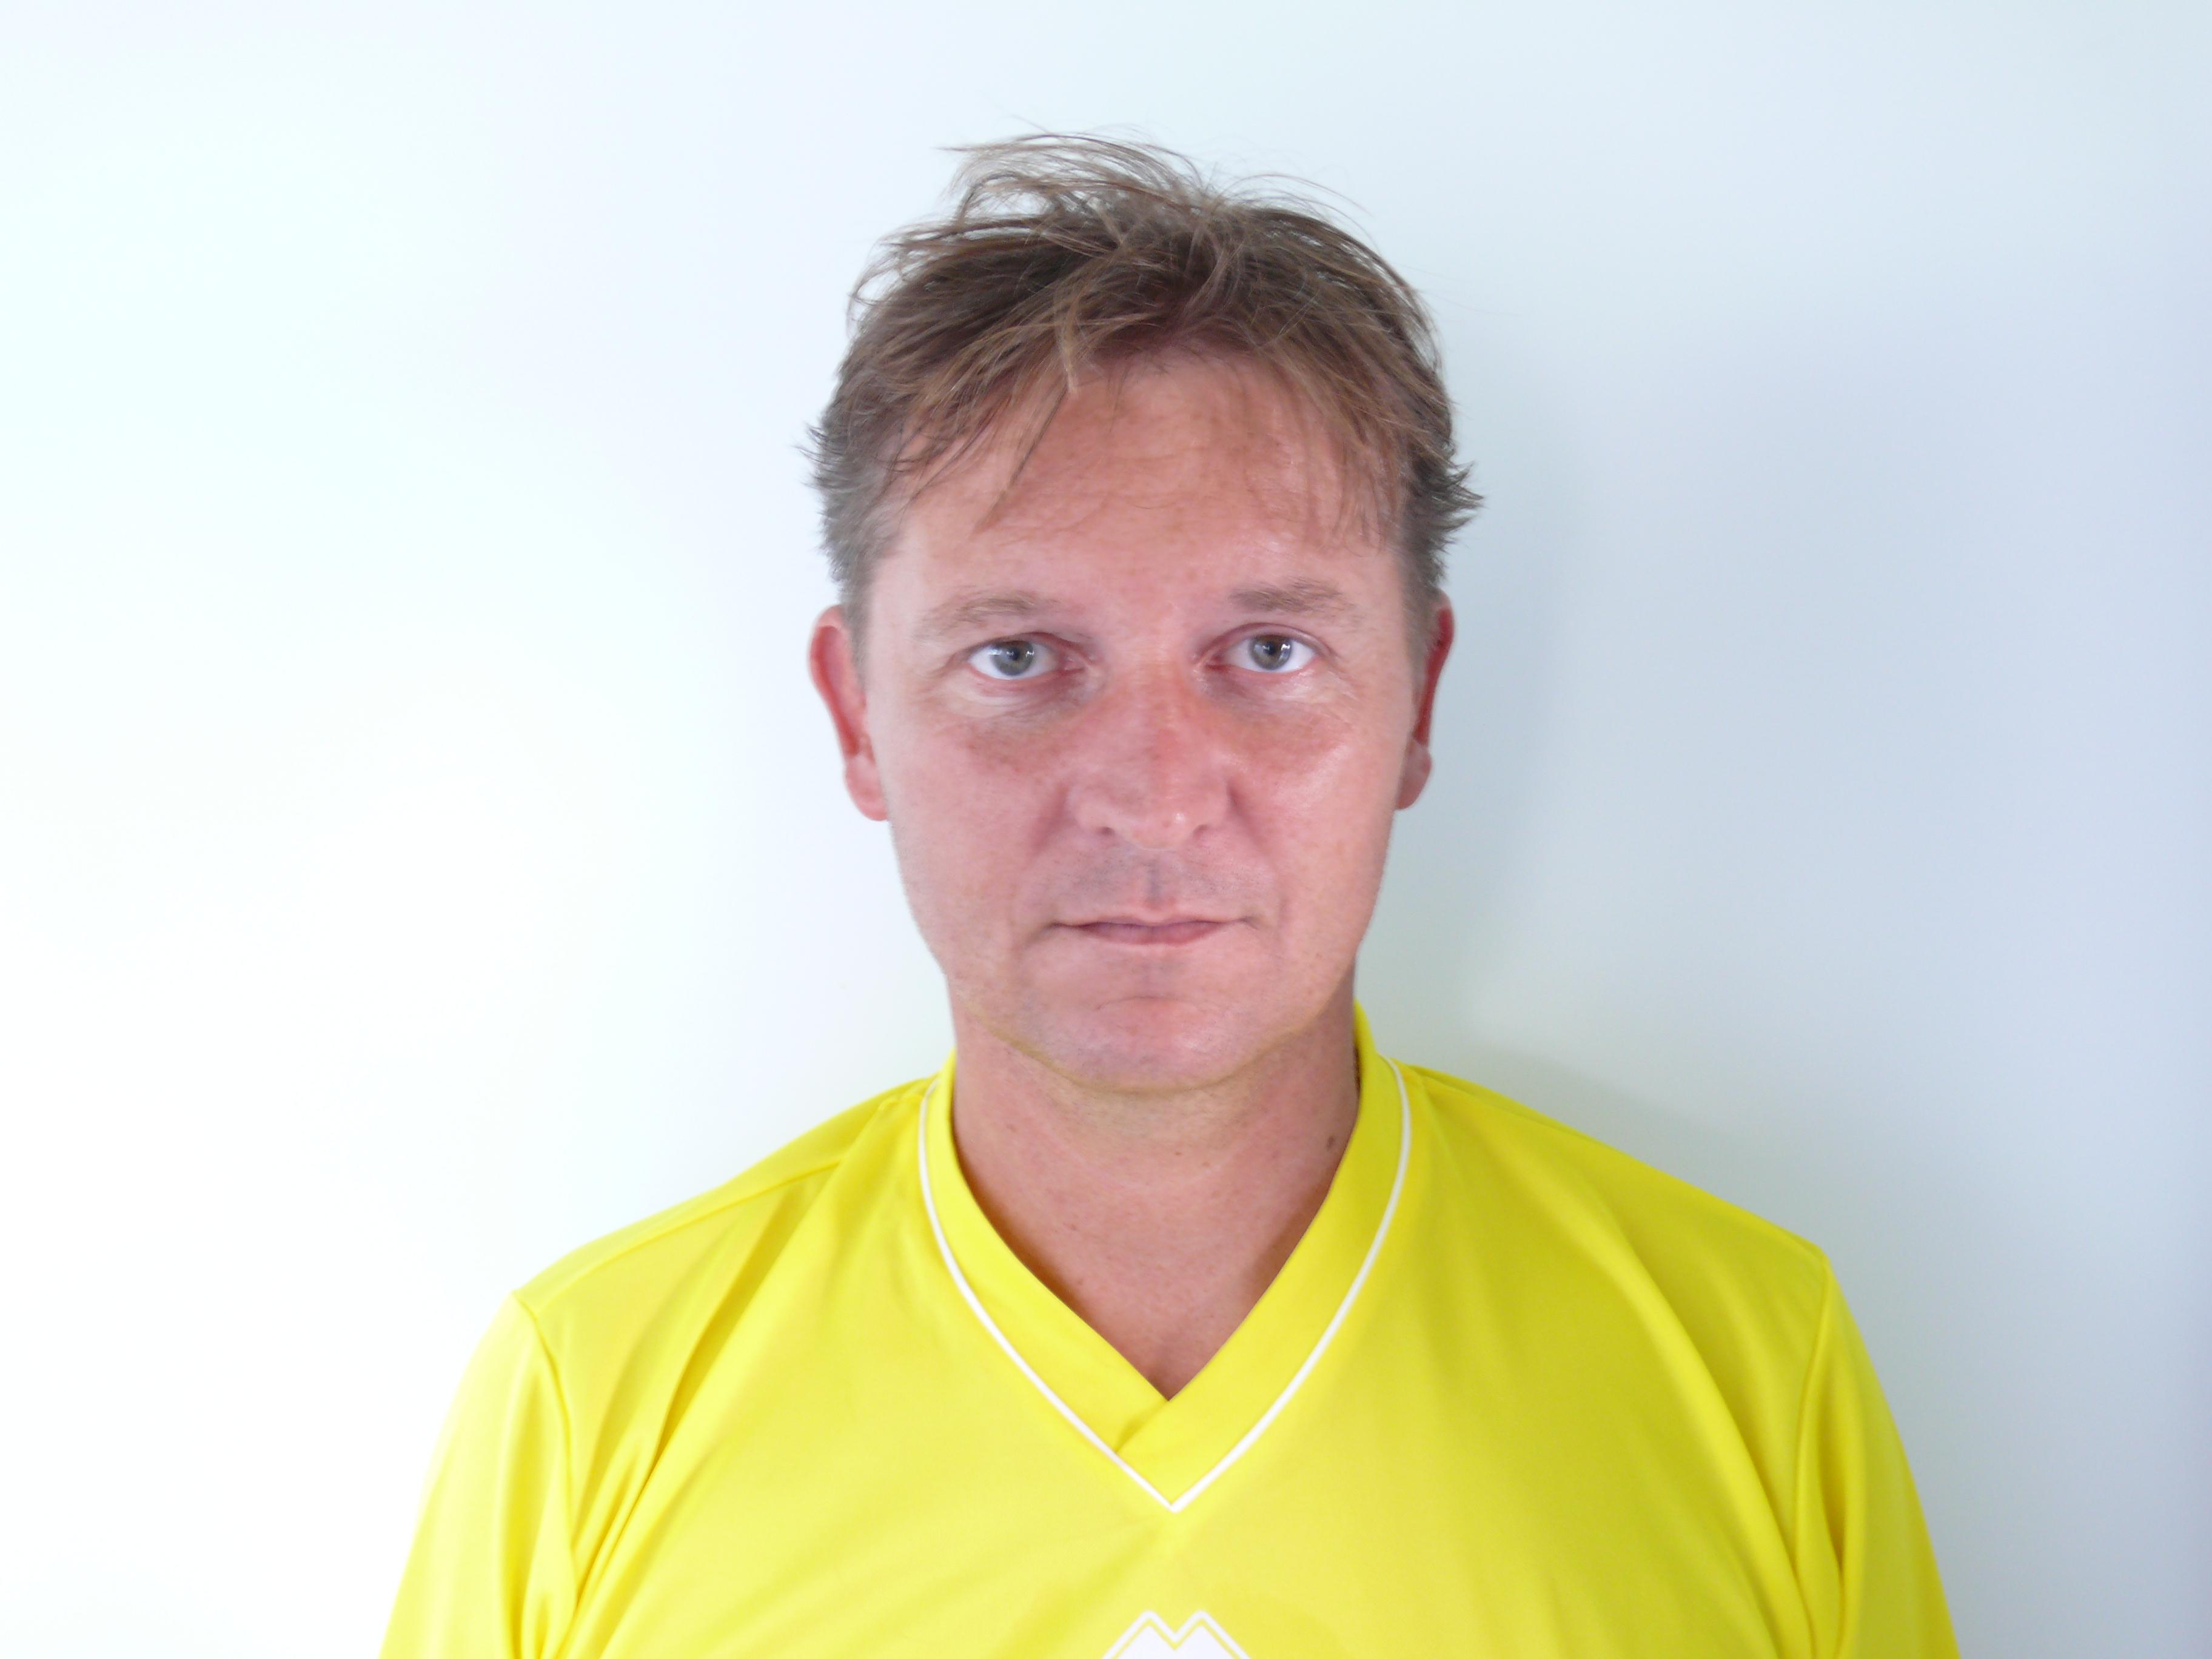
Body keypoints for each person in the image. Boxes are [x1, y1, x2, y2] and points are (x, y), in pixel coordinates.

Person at [380, 135, 1957, 1658]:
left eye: (1269, 652)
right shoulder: (594, 1401)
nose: (1150, 795)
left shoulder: (1750, 1364)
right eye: (1019, 657)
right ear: (858, 713)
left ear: (1418, 702)